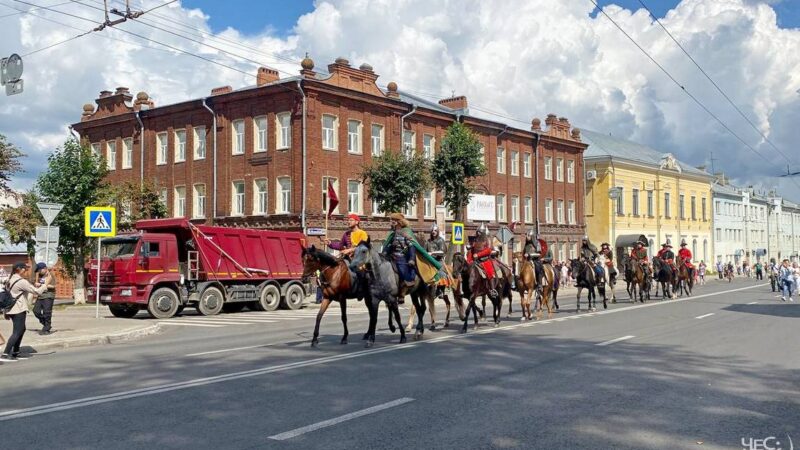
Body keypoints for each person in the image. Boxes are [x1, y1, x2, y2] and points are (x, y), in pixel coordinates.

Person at [2, 262, 48, 362]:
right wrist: (45, 285)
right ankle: (5, 354)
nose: (26, 271)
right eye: (25, 269)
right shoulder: (21, 281)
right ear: (20, 269)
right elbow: (36, 292)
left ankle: (15, 352)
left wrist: (5, 311)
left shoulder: (10, 279)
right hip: (18, 308)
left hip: (11, 309)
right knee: (17, 331)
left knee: (21, 330)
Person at [382, 213, 418, 288]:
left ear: (398, 222)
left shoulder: (405, 232)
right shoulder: (393, 233)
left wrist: (412, 259)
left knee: (401, 266)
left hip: (401, 256)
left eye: (392, 220)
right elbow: (389, 245)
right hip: (391, 255)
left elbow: (411, 246)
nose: (391, 222)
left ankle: (409, 280)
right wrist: (384, 253)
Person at [466, 223, 498, 296]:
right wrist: (468, 261)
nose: (478, 233)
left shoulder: (486, 240)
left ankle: (492, 289)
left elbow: (488, 250)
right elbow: (472, 250)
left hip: (485, 260)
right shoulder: (475, 240)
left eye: (480, 231)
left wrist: (478, 255)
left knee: (490, 272)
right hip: (475, 261)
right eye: (478, 231)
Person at [32, 262, 56, 335]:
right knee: (36, 311)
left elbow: (53, 286)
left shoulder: (51, 275)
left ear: (45, 268)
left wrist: (42, 285)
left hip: (48, 295)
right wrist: (36, 284)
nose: (39, 272)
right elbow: (36, 283)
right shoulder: (39, 275)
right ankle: (46, 324)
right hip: (40, 296)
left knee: (47, 313)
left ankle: (46, 328)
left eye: (40, 270)